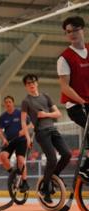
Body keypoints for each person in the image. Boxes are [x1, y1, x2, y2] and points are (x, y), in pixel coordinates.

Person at [20, 74, 71, 203]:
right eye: (28, 83)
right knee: (52, 159)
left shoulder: (46, 96)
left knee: (67, 154)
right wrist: (27, 138)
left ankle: (54, 176)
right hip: (41, 133)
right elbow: (23, 122)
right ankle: (45, 188)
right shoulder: (26, 101)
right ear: (26, 86)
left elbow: (58, 113)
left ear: (37, 83)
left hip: (53, 130)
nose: (31, 84)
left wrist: (45, 114)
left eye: (33, 82)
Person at [57, 16, 89, 181]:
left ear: (82, 29)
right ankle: (85, 169)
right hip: (76, 106)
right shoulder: (65, 58)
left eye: (74, 30)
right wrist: (83, 102)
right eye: (68, 32)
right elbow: (65, 88)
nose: (71, 34)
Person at [0, 95, 30, 192]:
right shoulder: (3, 117)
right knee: (2, 156)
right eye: (6, 102)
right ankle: (13, 174)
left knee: (20, 160)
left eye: (9, 102)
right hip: (10, 142)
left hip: (21, 141)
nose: (8, 103)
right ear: (4, 104)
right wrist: (3, 139)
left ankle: (24, 182)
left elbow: (31, 124)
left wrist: (24, 130)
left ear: (13, 103)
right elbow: (0, 131)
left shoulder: (20, 113)